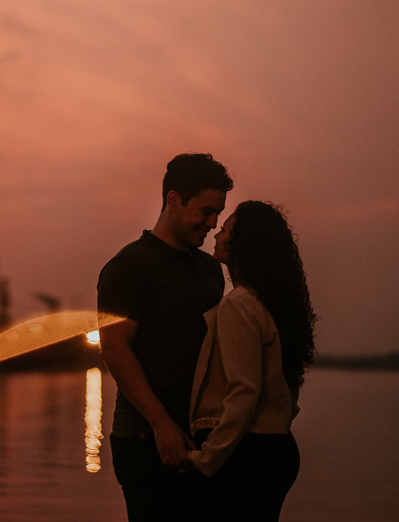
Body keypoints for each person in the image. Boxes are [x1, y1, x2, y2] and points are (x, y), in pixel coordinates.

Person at [98, 153, 233, 521]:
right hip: (145, 439)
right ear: (173, 200)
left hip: (202, 440)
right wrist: (161, 425)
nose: (212, 222)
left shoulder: (210, 269)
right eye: (205, 211)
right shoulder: (130, 265)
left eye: (218, 213)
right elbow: (114, 347)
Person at [188, 200, 317, 520]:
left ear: (243, 242)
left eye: (226, 229)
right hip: (276, 449)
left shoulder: (238, 305)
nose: (217, 233)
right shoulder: (271, 305)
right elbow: (288, 384)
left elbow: (243, 392)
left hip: (246, 457)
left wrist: (206, 459)